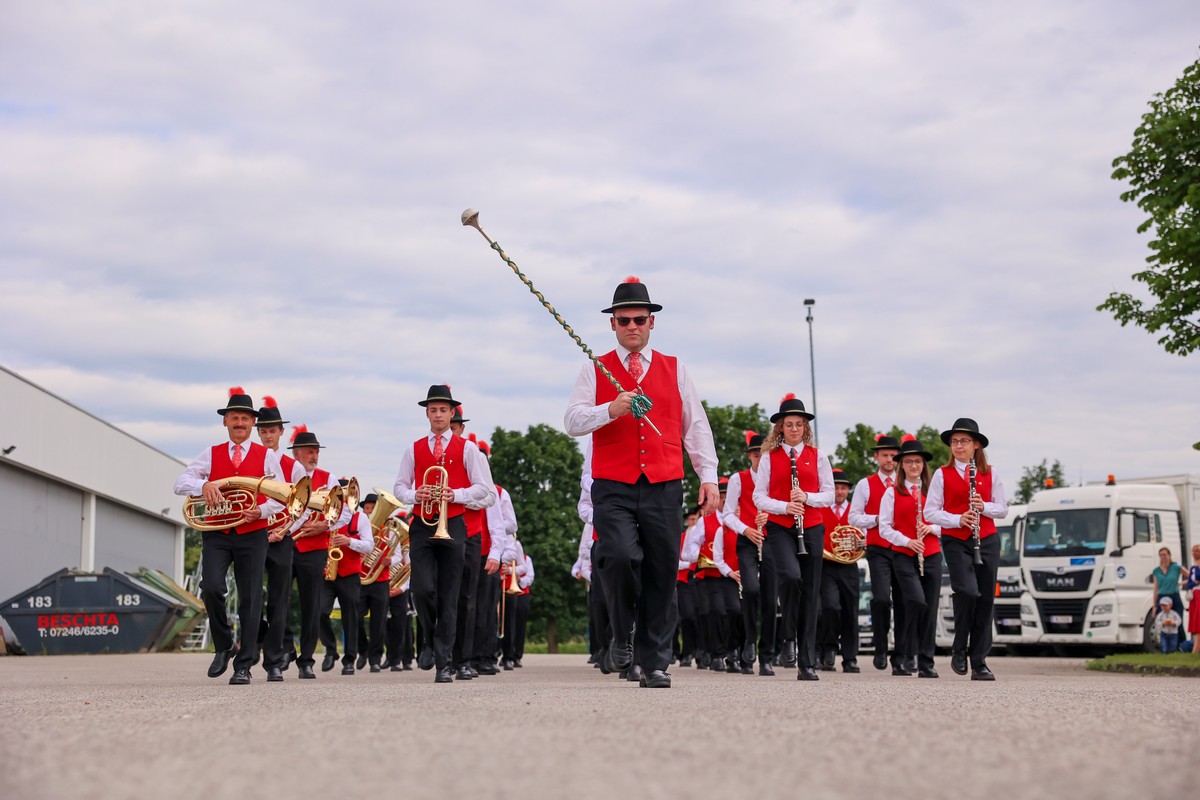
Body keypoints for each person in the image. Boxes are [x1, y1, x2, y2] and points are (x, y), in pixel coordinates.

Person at [564, 276, 719, 689]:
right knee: (616, 556)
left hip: (664, 484)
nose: (632, 326)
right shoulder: (592, 368)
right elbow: (573, 421)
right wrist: (610, 409)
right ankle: (620, 632)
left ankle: (654, 662)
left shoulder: (675, 368)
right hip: (612, 483)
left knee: (662, 572)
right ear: (612, 324)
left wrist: (709, 477)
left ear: (652, 323)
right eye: (624, 320)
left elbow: (696, 427)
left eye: (640, 319)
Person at [173, 387, 286, 685]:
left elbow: (283, 496)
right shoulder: (210, 454)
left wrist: (260, 512)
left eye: (245, 419)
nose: (239, 423)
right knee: (210, 586)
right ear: (226, 422)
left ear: (253, 424)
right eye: (234, 418)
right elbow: (180, 482)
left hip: (252, 533)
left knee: (250, 599)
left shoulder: (266, 456)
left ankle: (244, 665)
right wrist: (203, 487)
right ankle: (224, 644)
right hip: (217, 533)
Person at [393, 385, 495, 684]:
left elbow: (484, 490)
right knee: (422, 590)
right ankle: (428, 637)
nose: (438, 414)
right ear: (427, 413)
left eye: (443, 410)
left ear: (452, 414)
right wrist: (415, 493)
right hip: (423, 525)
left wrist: (455, 494)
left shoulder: (468, 449)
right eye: (433, 409)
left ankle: (444, 663)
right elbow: (399, 488)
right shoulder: (413, 448)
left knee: (451, 596)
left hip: (455, 523)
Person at [752, 393, 834, 681]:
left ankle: (806, 664)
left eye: (799, 424)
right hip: (779, 526)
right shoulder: (769, 457)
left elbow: (829, 495)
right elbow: (758, 496)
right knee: (790, 577)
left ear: (805, 427)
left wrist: (806, 497)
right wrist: (785, 505)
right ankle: (788, 634)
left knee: (811, 595)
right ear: (781, 428)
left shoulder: (818, 456)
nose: (795, 429)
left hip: (811, 526)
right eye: (790, 424)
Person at [923, 418, 1008, 681]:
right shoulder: (941, 474)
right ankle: (959, 647)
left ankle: (979, 661)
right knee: (967, 592)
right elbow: (930, 512)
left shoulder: (991, 473)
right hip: (956, 540)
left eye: (964, 441)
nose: (958, 446)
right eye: (955, 442)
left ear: (976, 446)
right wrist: (957, 519)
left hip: (988, 540)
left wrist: (984, 507)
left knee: (985, 600)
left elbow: (1002, 509)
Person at [288, 426, 353, 679]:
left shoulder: (328, 478)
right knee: (277, 601)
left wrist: (325, 525)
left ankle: (306, 660)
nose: (313, 456)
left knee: (311, 606)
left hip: (313, 548)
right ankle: (283, 648)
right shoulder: (284, 474)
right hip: (285, 544)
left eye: (316, 452)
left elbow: (345, 513)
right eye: (308, 451)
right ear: (296, 453)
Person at [878, 437, 943, 679]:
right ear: (901, 465)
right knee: (916, 602)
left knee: (930, 608)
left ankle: (926, 662)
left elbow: (946, 522)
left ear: (924, 465)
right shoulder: (892, 493)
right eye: (908, 462)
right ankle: (903, 653)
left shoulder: (934, 492)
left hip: (932, 553)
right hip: (904, 555)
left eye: (917, 461)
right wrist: (907, 540)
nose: (914, 465)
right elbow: (884, 527)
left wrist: (932, 529)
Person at [253, 396, 306, 682]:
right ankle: (260, 644)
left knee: (278, 599)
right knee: (250, 597)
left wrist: (284, 530)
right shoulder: (250, 459)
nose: (268, 435)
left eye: (272, 430)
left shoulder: (293, 466)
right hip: (253, 534)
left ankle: (275, 657)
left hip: (281, 536)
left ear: (281, 433)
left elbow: (302, 507)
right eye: (263, 430)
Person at [721, 431, 777, 676]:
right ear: (750, 456)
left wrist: (771, 517)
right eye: (756, 455)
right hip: (747, 541)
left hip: (773, 541)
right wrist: (746, 530)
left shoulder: (777, 479)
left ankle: (766, 656)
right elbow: (727, 514)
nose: (760, 458)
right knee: (751, 590)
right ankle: (748, 643)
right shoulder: (738, 479)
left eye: (764, 454)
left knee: (770, 599)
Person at [849, 434, 904, 672]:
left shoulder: (905, 484)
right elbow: (854, 516)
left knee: (904, 601)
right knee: (882, 598)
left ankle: (901, 655)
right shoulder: (865, 484)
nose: (890, 460)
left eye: (893, 456)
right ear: (876, 457)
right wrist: (878, 519)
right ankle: (881, 647)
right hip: (878, 548)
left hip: (903, 549)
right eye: (885, 455)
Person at [817, 468, 860, 673]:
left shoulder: (855, 510)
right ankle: (829, 649)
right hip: (827, 566)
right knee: (830, 608)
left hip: (849, 565)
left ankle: (850, 658)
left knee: (850, 611)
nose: (840, 491)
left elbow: (863, 535)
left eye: (843, 488)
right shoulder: (821, 507)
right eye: (836, 487)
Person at [355, 493, 390, 673]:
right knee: (356, 618)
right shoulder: (360, 527)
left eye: (372, 508)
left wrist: (390, 561)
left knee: (378, 622)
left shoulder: (388, 530)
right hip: (360, 579)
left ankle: (375, 658)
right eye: (367, 508)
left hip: (380, 580)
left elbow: (398, 552)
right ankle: (362, 650)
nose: (369, 512)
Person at [1150, 547, 1184, 624]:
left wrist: (1183, 583)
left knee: (1178, 622)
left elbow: (1190, 575)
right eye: (1161, 555)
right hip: (1162, 597)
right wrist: (1154, 605)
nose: (1163, 557)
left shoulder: (1176, 567)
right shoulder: (1156, 571)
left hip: (1174, 596)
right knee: (1162, 622)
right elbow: (1156, 588)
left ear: (1169, 555)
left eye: (1165, 554)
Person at [1186, 544, 1200, 653]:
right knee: (1195, 620)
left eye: (1197, 551)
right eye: (1193, 551)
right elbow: (1190, 582)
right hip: (1194, 595)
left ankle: (1195, 650)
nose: (1195, 553)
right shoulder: (1193, 567)